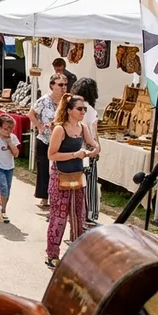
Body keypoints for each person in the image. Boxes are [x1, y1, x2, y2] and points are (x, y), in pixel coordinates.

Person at [44, 93, 99, 269]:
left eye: (85, 109)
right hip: (60, 176)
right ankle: (52, 254)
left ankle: (75, 254)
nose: (83, 112)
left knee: (78, 216)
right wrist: (75, 154)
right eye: (79, 109)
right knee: (59, 217)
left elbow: (92, 143)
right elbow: (51, 155)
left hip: (77, 176)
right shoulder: (60, 129)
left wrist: (95, 148)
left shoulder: (83, 127)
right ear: (69, 110)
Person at [28, 73, 67, 210]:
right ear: (52, 86)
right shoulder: (43, 100)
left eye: (65, 85)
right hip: (45, 139)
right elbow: (31, 114)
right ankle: (44, 198)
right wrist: (39, 126)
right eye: (60, 85)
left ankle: (60, 197)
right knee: (44, 168)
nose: (63, 87)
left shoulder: (67, 102)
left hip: (61, 140)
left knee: (60, 170)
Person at [69, 77, 101, 228]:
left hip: (72, 150)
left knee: (75, 183)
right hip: (87, 152)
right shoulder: (90, 110)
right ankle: (89, 214)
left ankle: (75, 212)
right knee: (89, 184)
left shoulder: (72, 108)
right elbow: (94, 133)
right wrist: (97, 147)